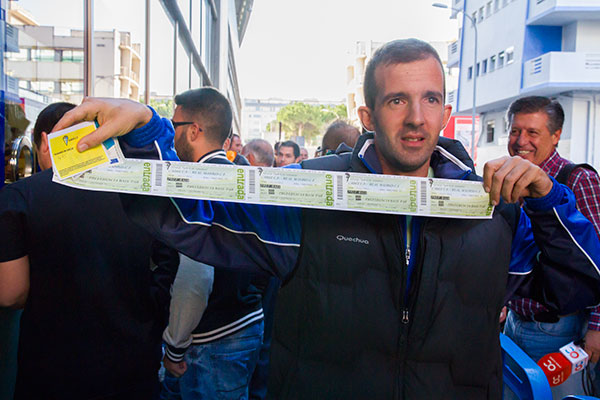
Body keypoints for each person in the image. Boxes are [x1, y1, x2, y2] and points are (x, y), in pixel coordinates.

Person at [54, 39, 600, 399]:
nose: (416, 118)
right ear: (366, 114)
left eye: (431, 98)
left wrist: (551, 200)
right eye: (396, 101)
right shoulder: (311, 193)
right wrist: (148, 132)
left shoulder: (491, 207)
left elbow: (576, 284)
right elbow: (190, 218)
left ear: (444, 106)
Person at [0, 102, 179, 399]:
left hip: (52, 371)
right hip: (132, 364)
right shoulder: (138, 191)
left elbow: (11, 292)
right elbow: (168, 266)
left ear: (46, 141)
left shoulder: (19, 197)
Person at [158, 88, 266, 400]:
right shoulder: (241, 176)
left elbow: (195, 277)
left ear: (193, 131)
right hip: (243, 323)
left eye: (174, 125)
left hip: (213, 339)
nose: (170, 132)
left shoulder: (198, 182)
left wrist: (175, 346)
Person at [502, 96, 600, 399]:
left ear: (556, 136)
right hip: (514, 325)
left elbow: (596, 259)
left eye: (533, 132)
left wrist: (596, 328)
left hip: (559, 332)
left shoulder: (577, 180)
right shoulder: (509, 178)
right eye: (515, 131)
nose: (521, 141)